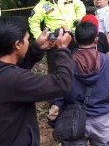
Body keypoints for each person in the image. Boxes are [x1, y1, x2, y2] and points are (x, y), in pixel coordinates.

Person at [0, 16, 74, 145]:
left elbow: (16, 68)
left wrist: (37, 48)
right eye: (27, 39)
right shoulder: (15, 79)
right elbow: (62, 83)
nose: (28, 42)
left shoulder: (8, 73)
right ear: (17, 44)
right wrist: (63, 50)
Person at [55, 20, 109, 145]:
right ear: (96, 40)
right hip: (101, 118)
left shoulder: (66, 63)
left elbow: (59, 88)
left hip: (73, 117)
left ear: (75, 39)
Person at [29, 0, 86, 73]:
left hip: (74, 35)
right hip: (55, 39)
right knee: (55, 67)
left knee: (77, 64)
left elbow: (80, 7)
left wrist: (80, 18)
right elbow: (33, 22)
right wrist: (40, 37)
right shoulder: (41, 5)